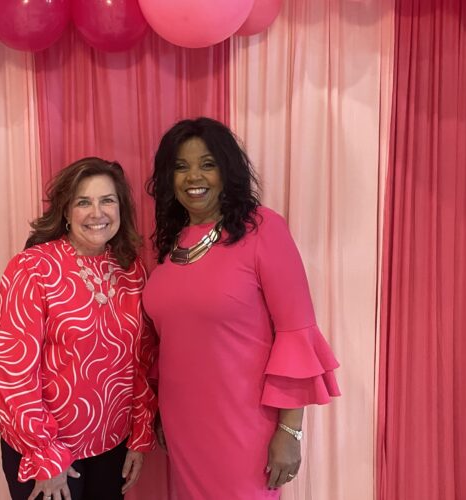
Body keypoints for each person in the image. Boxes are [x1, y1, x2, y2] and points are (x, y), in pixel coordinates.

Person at [143, 117, 341, 499]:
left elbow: (295, 332)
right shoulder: (173, 244)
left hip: (243, 427)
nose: (193, 176)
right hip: (183, 424)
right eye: (181, 167)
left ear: (227, 170)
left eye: (207, 164)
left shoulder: (263, 229)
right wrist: (163, 413)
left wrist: (290, 431)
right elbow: (174, 342)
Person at [0, 158, 157, 500]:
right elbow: (11, 370)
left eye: (107, 200)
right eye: (83, 202)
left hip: (112, 445)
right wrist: (45, 454)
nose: (97, 212)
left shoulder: (132, 270)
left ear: (121, 208)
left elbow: (142, 360)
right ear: (66, 211)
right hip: (48, 452)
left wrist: (140, 436)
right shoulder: (33, 267)